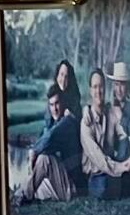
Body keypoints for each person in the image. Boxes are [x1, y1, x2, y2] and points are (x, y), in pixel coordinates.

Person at [18, 59, 83, 204]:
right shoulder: (54, 114)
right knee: (36, 171)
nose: (63, 79)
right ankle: (22, 193)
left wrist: (34, 150)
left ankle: (25, 196)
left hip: (69, 183)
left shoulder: (70, 118)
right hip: (56, 176)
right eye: (61, 74)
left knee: (44, 159)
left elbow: (52, 135)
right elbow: (46, 132)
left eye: (67, 76)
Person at [84, 62, 130, 201]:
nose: (119, 89)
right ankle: (125, 182)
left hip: (124, 161)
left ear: (128, 86)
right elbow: (96, 107)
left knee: (127, 140)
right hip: (107, 167)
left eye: (122, 85)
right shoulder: (110, 108)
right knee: (107, 186)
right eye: (116, 84)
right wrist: (86, 109)